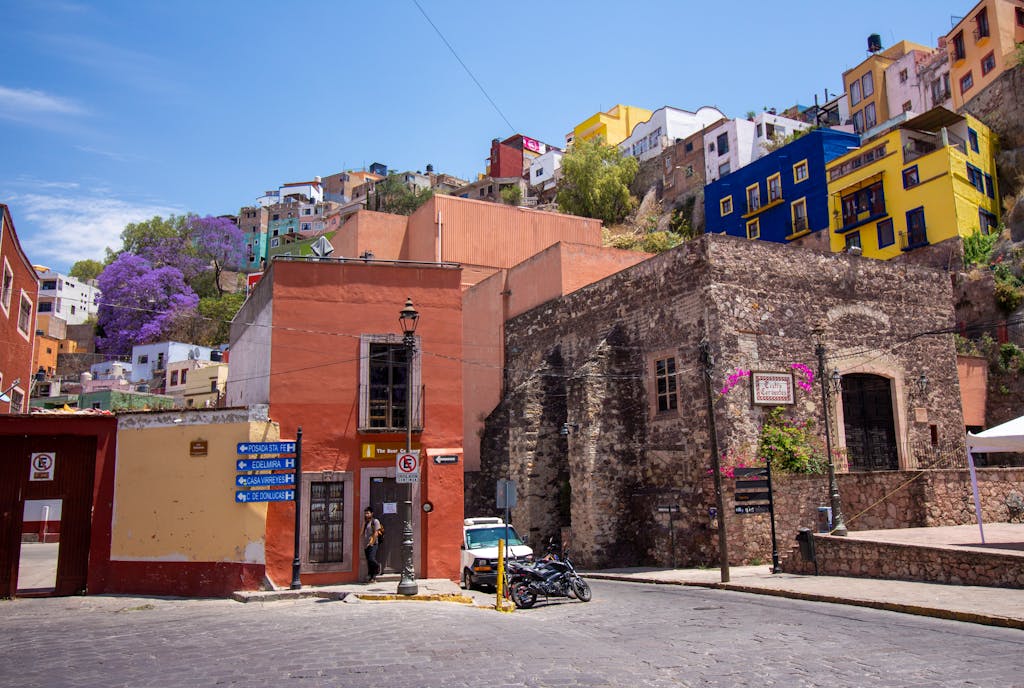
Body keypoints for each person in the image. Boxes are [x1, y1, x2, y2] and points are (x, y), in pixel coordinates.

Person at [362, 507, 383, 583]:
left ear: (372, 513)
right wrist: (364, 523)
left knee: (371, 559)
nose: (366, 515)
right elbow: (361, 532)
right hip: (366, 544)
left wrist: (371, 543)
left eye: (368, 513)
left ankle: (377, 566)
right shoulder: (366, 522)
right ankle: (371, 576)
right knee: (369, 561)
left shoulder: (375, 521)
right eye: (365, 513)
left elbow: (376, 533)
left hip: (373, 543)